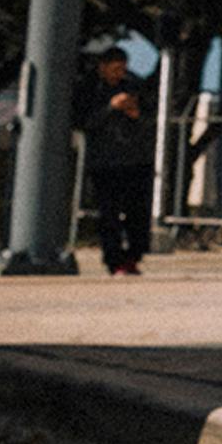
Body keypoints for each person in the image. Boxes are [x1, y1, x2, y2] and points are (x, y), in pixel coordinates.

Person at [81, 49, 156, 278]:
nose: (119, 74)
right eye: (114, 70)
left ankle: (133, 256)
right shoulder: (90, 88)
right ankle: (114, 260)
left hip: (136, 158)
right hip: (105, 162)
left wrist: (136, 114)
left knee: (138, 213)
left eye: (122, 69)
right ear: (103, 67)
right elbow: (84, 122)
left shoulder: (134, 84)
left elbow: (150, 117)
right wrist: (111, 107)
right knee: (109, 214)